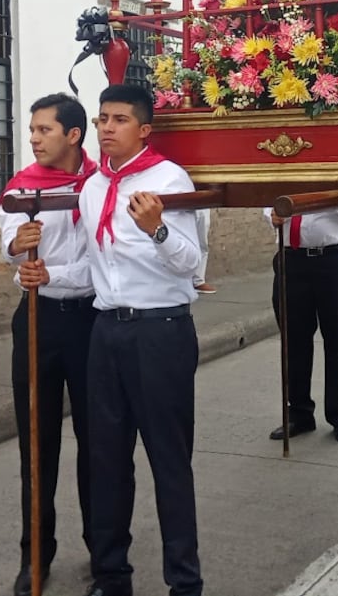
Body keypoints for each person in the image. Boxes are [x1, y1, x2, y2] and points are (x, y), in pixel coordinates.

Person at [78, 84, 204, 596]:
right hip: (106, 330)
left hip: (160, 330)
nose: (107, 128)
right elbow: (90, 262)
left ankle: (184, 582)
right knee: (106, 459)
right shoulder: (92, 187)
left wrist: (158, 230)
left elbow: (193, 264)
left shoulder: (169, 180)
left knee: (168, 460)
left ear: (144, 129)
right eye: (101, 118)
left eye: (119, 119)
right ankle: (111, 576)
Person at [0, 93, 98, 596]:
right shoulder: (23, 186)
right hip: (36, 320)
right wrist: (18, 248)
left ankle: (102, 550)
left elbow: (105, 259)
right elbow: (9, 239)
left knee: (96, 441)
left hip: (88, 321)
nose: (34, 138)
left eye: (44, 130)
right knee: (36, 442)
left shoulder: (101, 187)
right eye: (32, 130)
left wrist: (54, 270)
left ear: (73, 135)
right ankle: (35, 554)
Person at [263, 205, 338, 445]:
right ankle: (299, 413)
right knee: (294, 342)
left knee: (337, 340)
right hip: (291, 259)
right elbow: (268, 202)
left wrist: (322, 197)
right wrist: (272, 214)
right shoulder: (284, 168)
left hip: (333, 259)